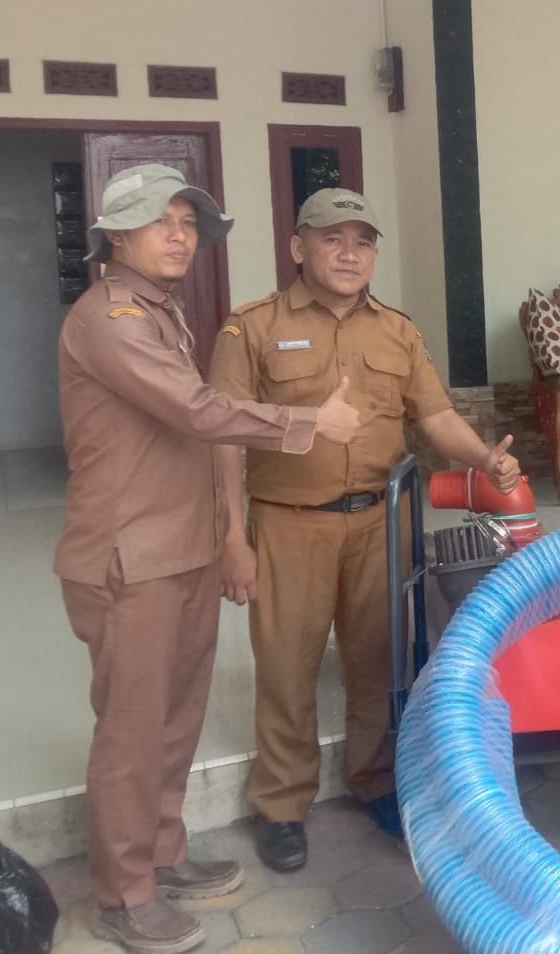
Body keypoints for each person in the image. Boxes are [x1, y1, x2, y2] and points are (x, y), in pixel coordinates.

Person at [55, 165, 361, 954]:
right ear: (116, 234)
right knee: (131, 733)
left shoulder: (163, 313)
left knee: (173, 720)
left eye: (190, 222)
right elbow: (195, 410)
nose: (181, 234)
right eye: (163, 221)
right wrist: (307, 422)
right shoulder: (113, 317)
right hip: (130, 557)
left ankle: (161, 855)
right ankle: (125, 894)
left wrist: (224, 535)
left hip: (176, 549)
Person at [208, 189, 520, 874]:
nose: (350, 254)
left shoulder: (397, 330)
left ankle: (376, 781)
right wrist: (233, 539)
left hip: (380, 522)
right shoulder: (252, 327)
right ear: (298, 248)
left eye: (363, 241)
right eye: (332, 238)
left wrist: (484, 459)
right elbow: (223, 438)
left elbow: (434, 418)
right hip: (289, 526)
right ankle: (283, 806)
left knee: (379, 661)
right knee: (286, 669)